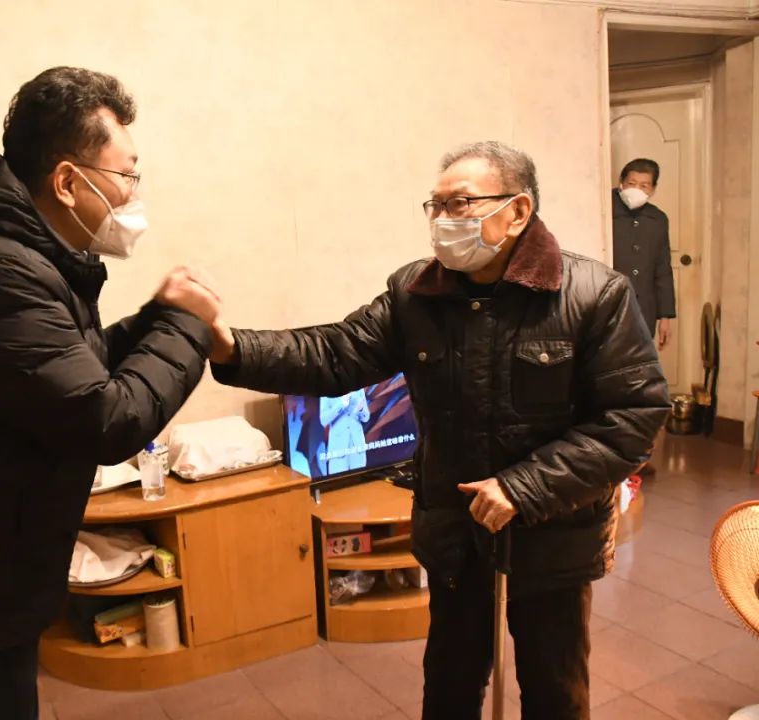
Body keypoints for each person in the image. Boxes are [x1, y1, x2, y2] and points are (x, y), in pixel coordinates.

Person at [208, 141, 670, 720]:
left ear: (518, 210)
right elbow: (335, 353)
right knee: (449, 686)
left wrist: (524, 487)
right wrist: (233, 347)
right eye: (436, 205)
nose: (443, 220)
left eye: (460, 204)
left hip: (553, 533)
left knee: (555, 690)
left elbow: (634, 414)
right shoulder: (417, 292)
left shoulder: (592, 294)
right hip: (455, 533)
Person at [0, 67, 218, 719]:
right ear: (66, 182)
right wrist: (185, 324)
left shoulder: (21, 254)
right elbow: (108, 418)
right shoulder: (0, 272)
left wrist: (155, 318)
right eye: (126, 174)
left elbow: (71, 366)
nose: (133, 193)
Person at [612, 158, 676, 349]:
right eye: (631, 183)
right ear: (621, 183)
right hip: (610, 305)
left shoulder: (657, 219)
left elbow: (662, 269)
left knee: (639, 359)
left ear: (652, 189)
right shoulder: (605, 210)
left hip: (644, 308)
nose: (636, 189)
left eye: (644, 186)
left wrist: (665, 316)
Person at [319, 389, 370, 473]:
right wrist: (341, 404)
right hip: (338, 448)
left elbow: (366, 417)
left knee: (360, 478)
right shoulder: (326, 391)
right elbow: (323, 420)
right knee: (339, 479)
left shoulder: (358, 388)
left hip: (357, 445)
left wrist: (361, 410)